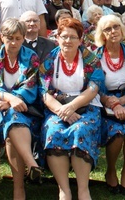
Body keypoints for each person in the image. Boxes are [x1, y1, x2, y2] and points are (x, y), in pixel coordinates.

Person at [39, 18, 102, 200]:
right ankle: (64, 189)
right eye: (64, 36)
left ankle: (83, 189)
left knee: (80, 130)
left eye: (72, 37)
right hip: (57, 107)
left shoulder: (90, 59)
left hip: (86, 106)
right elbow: (43, 91)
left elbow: (94, 87)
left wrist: (73, 107)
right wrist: (61, 110)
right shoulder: (50, 60)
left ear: (80, 40)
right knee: (53, 131)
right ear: (57, 37)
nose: (68, 41)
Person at [0, 18, 43, 200]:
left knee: (13, 123)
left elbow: (31, 86)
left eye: (18, 38)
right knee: (10, 122)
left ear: (24, 38)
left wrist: (10, 103)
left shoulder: (31, 57)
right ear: (2, 37)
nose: (14, 42)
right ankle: (31, 165)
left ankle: (19, 189)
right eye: (9, 38)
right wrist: (8, 99)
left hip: (27, 110)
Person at [94, 15, 125, 195]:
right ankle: (111, 170)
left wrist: (123, 101)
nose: (113, 31)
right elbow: (93, 86)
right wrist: (111, 103)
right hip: (104, 101)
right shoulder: (96, 55)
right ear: (102, 34)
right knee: (117, 133)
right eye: (107, 29)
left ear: (121, 29)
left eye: (115, 27)